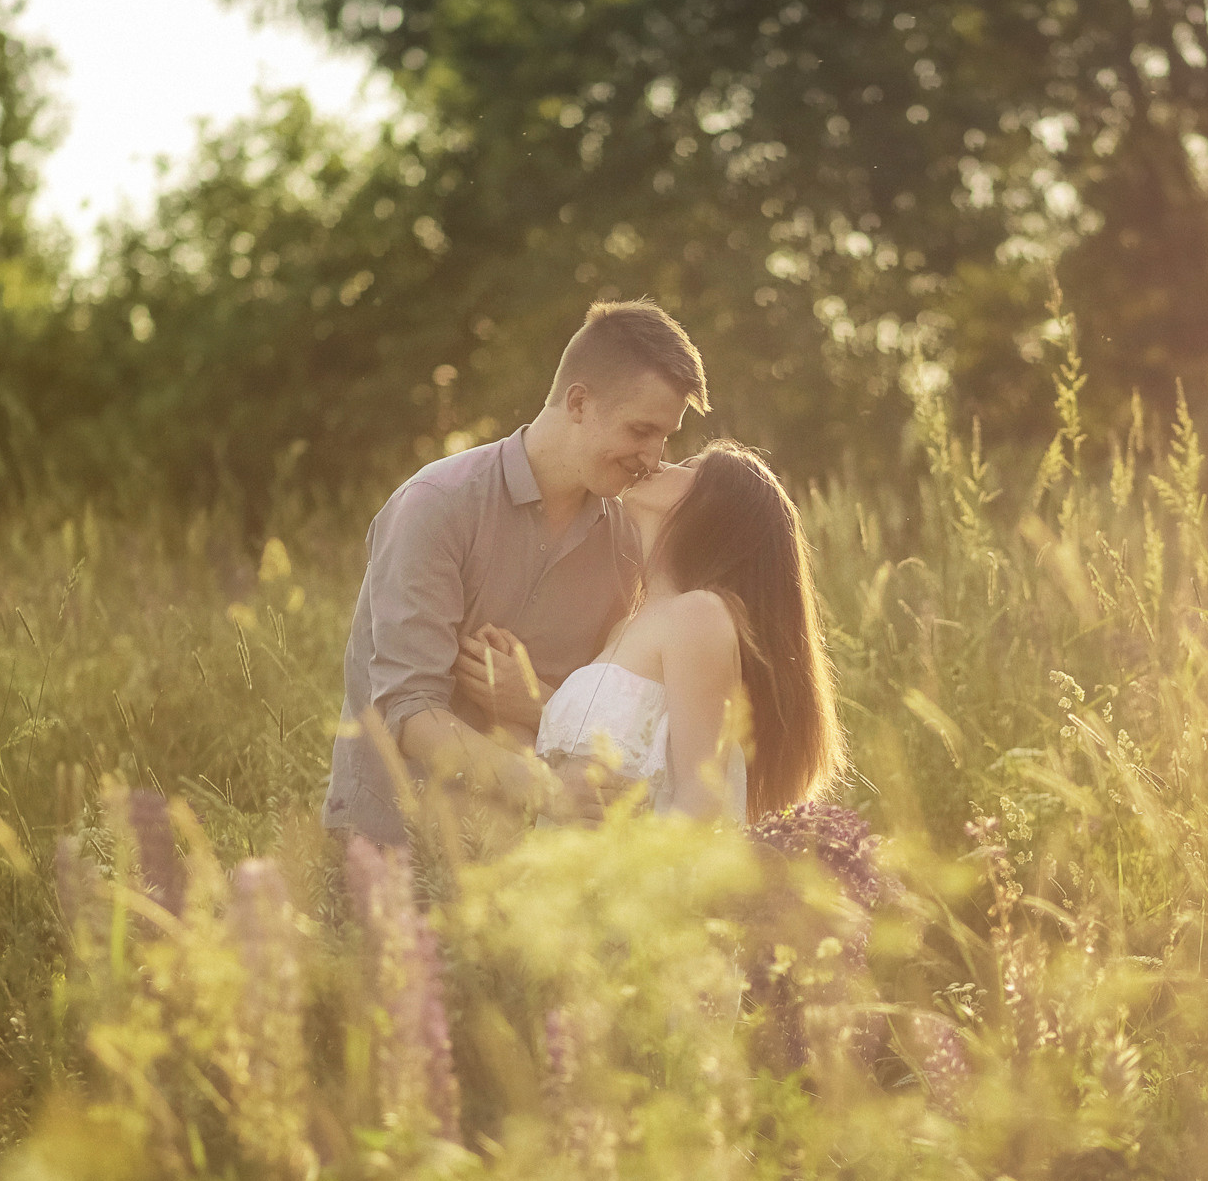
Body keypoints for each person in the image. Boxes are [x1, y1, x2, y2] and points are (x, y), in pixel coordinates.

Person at [322, 299, 706, 845]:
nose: (653, 456)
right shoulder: (437, 505)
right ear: (578, 402)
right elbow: (406, 711)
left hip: (531, 860)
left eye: (665, 438)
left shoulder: (628, 537)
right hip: (396, 845)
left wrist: (535, 700)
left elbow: (614, 704)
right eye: (641, 430)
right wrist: (544, 789)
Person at [532, 441, 847, 822]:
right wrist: (530, 701)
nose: (660, 465)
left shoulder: (698, 615)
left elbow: (703, 804)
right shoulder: (623, 627)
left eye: (689, 467)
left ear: (718, 513)